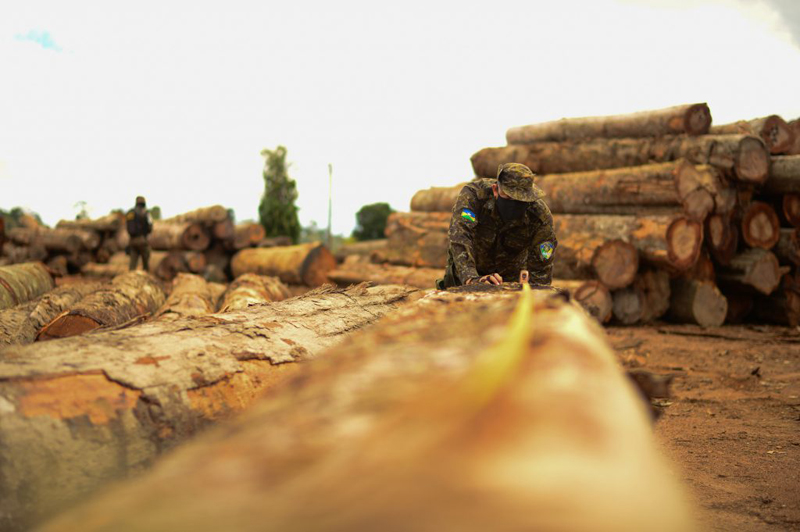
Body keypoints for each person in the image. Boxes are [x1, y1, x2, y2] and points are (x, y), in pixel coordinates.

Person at [436, 163, 557, 289]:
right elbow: (460, 236)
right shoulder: (475, 196)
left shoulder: (539, 216)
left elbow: (541, 268)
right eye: (509, 197)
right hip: (466, 274)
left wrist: (536, 293)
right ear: (495, 189)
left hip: (509, 282)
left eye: (521, 200)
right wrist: (471, 279)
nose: (515, 204)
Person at [126, 196, 153, 271]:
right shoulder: (146, 213)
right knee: (146, 262)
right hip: (142, 240)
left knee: (132, 264)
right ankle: (146, 273)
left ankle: (130, 275)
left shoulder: (130, 212)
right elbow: (150, 227)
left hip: (132, 241)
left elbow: (128, 226)